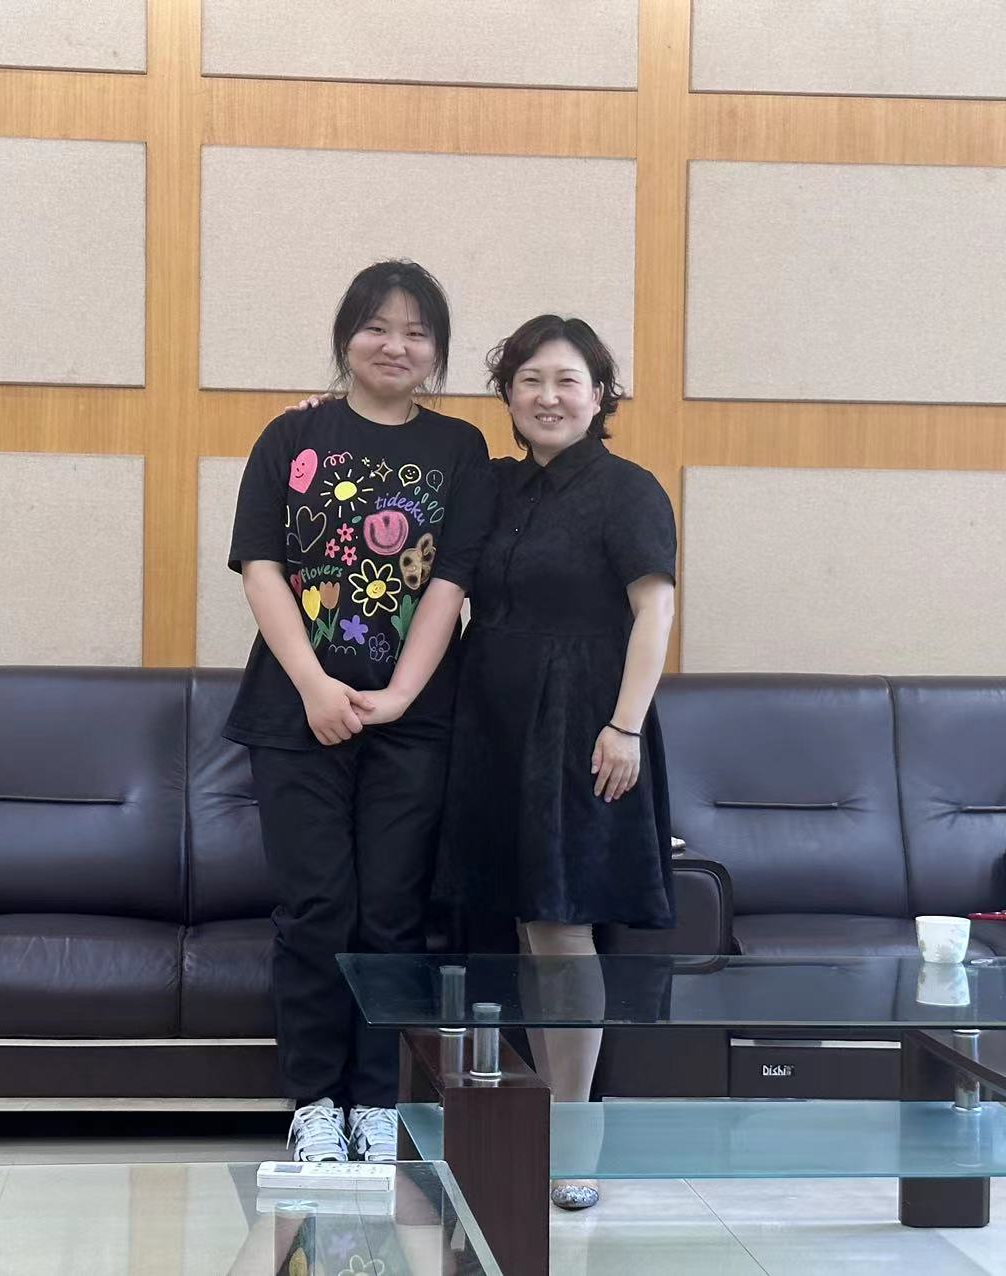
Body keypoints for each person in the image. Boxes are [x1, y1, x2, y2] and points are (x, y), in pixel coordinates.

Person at [226, 260, 493, 1164]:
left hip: (415, 721)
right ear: (346, 336)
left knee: (392, 913)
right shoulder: (291, 435)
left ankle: (379, 1102)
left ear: (437, 353)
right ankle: (314, 1102)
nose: (396, 345)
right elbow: (262, 566)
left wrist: (402, 694)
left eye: (417, 332)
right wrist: (313, 685)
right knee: (317, 909)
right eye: (378, 326)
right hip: (292, 712)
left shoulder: (460, 450)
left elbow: (451, 581)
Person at [439, 314, 678, 1211]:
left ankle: (575, 1138)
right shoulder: (494, 485)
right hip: (492, 718)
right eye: (530, 380)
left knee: (563, 926)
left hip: (585, 723)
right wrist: (322, 416)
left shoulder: (627, 489)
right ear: (507, 394)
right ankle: (532, 1121)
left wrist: (625, 726)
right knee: (518, 927)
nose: (548, 396)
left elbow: (654, 611)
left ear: (600, 394)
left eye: (568, 380)